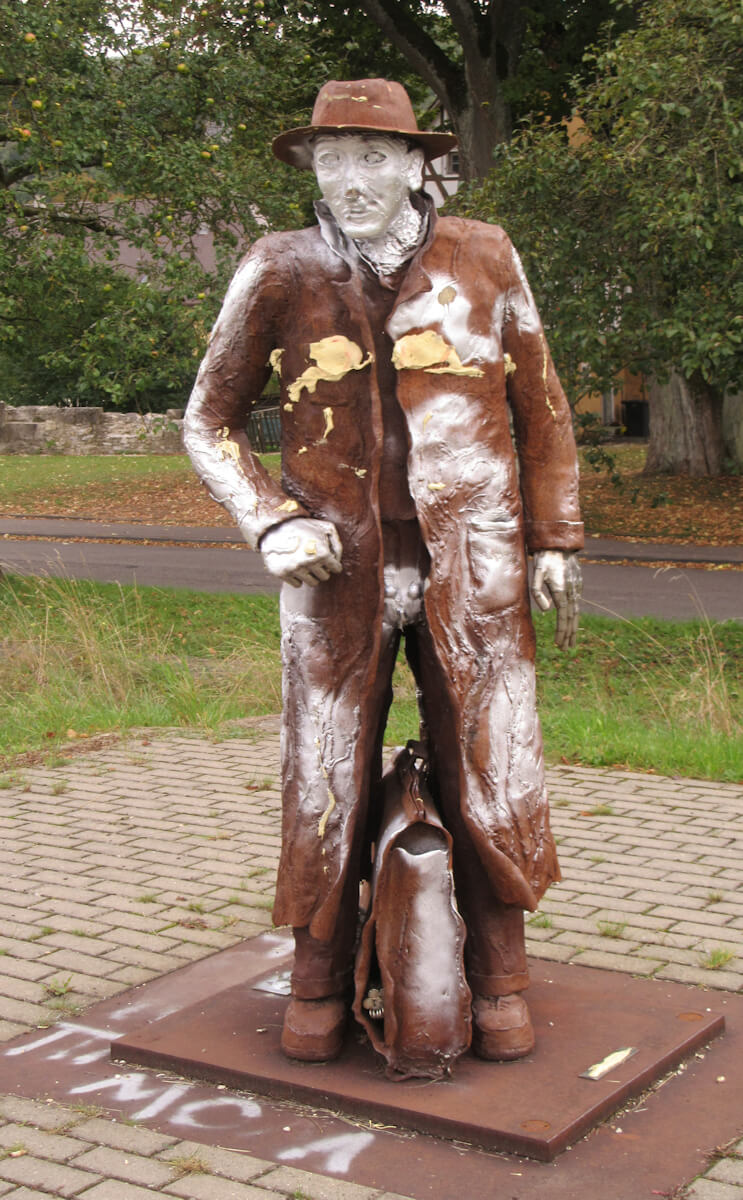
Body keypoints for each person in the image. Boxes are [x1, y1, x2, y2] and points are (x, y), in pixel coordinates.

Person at [184, 78, 583, 1066]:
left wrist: (554, 537)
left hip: (475, 561)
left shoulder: (483, 257)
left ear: (415, 164)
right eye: (330, 159)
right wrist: (270, 520)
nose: (350, 178)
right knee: (322, 774)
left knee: (488, 767)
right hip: (333, 569)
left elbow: (541, 404)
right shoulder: (277, 268)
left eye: (372, 157)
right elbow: (207, 419)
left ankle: (498, 983)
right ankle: (316, 987)